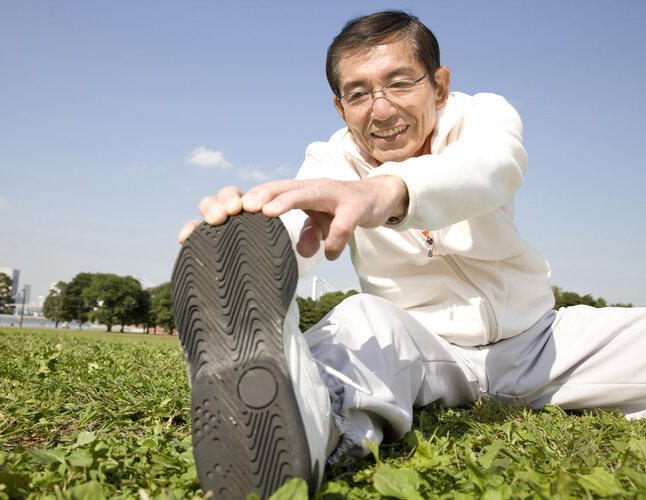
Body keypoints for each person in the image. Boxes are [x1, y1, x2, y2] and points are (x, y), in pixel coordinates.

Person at [172, 10, 646, 498]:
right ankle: (306, 433)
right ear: (340, 108)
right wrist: (249, 226)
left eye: (399, 83)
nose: (380, 111)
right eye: (358, 94)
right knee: (359, 321)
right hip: (423, 350)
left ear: (439, 86)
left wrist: (385, 191)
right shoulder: (331, 161)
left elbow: (492, 167)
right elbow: (298, 224)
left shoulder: (482, 116)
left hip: (539, 343)